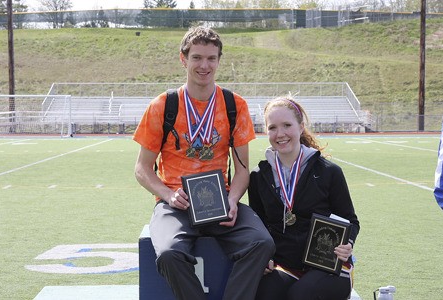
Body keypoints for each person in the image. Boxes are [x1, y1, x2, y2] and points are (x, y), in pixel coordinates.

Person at [133, 26, 275, 300]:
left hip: (219, 201)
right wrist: (168, 195)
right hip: (176, 204)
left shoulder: (235, 105)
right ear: (183, 59)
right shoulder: (163, 106)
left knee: (262, 242)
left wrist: (233, 200)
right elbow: (142, 168)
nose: (204, 65)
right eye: (197, 57)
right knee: (169, 254)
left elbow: (242, 169)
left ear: (219, 60)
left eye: (211, 58)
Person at [248, 96, 360, 300]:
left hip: (328, 265)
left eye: (287, 125)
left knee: (300, 295)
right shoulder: (258, 176)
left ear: (301, 127)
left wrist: (348, 244)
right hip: (285, 265)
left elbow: (351, 221)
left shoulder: (329, 172)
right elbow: (259, 226)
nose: (280, 134)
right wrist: (264, 258)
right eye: (272, 127)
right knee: (262, 293)